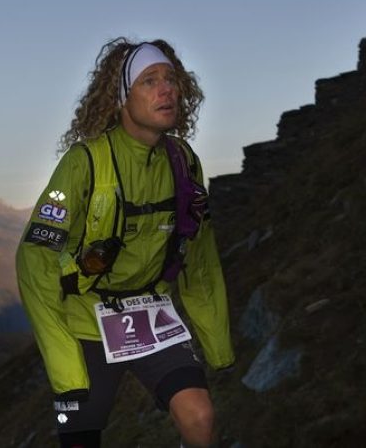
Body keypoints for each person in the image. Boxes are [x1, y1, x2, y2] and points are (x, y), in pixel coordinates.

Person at [16, 37, 234, 448]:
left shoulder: (184, 161)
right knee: (80, 440)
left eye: (171, 79)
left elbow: (199, 255)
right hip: (86, 321)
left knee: (200, 417)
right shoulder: (84, 163)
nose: (167, 89)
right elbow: (34, 259)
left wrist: (215, 339)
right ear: (120, 98)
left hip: (152, 314)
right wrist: (65, 365)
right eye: (149, 81)